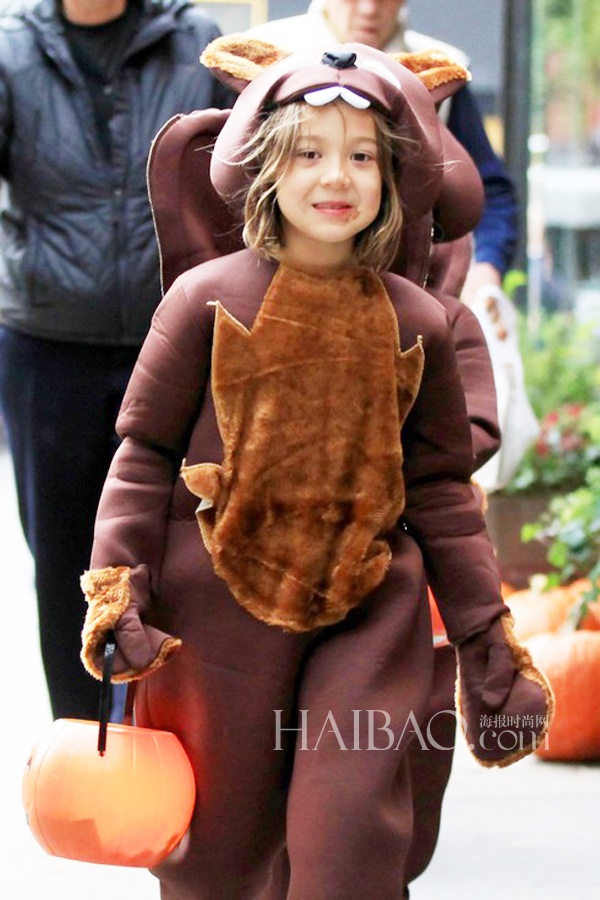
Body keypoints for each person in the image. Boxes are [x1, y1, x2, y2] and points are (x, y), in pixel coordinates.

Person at [79, 40, 553, 899]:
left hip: (369, 616)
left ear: (395, 176)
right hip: (215, 619)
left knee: (348, 837)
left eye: (363, 156)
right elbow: (143, 455)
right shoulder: (201, 301)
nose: (337, 176)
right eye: (308, 152)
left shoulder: (421, 323)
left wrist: (487, 638)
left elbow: (442, 493)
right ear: (264, 164)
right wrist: (120, 589)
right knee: (221, 859)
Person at [0, 0, 234, 721]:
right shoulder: (11, 51)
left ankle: (158, 733)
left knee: (177, 553)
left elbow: (246, 179)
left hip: (176, 342)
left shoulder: (196, 42)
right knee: (65, 562)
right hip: (50, 346)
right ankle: (83, 743)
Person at [246, 0, 518, 305]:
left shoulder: (442, 67)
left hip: (405, 281)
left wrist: (485, 268)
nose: (368, 9)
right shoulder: (266, 54)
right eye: (309, 153)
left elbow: (489, 188)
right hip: (269, 276)